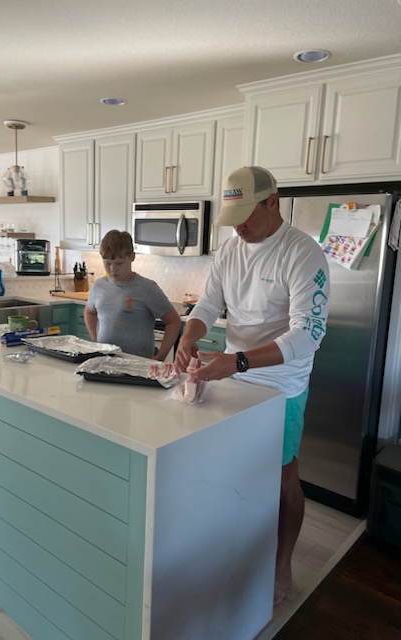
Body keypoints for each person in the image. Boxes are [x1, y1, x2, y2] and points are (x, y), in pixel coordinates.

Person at [174, 166, 330, 605]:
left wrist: (239, 360)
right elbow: (209, 304)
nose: (239, 227)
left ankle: (281, 564)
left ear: (272, 202)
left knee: (282, 479)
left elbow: (308, 334)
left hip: (280, 384)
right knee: (231, 469)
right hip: (233, 375)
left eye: (246, 216)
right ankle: (237, 555)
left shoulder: (302, 253)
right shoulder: (230, 250)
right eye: (233, 218)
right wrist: (187, 336)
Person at [84, 230, 181, 360]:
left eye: (119, 263)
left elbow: (173, 321)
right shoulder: (98, 286)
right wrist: (96, 340)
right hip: (105, 359)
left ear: (132, 257)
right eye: (107, 263)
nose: (112, 269)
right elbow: (89, 312)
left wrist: (161, 356)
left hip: (138, 362)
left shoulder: (147, 288)